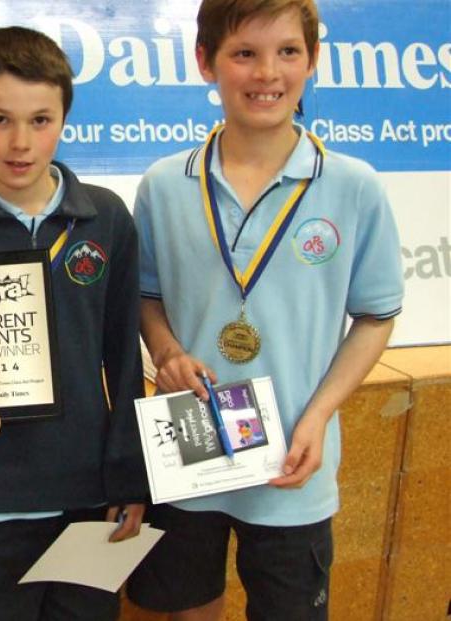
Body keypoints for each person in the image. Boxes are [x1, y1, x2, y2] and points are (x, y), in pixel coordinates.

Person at [126, 1, 404, 619]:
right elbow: (146, 298)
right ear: (206, 62)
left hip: (291, 454)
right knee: (185, 606)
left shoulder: (352, 185)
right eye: (243, 54)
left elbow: (376, 315)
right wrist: (167, 351)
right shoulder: (166, 184)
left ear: (312, 61)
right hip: (192, 445)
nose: (266, 73)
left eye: (287, 52)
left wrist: (320, 415)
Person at [0, 26, 147, 621]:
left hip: (85, 493)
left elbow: (123, 357)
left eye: (40, 120)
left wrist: (130, 478)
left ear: (64, 117)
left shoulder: (105, 219)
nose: (20, 142)